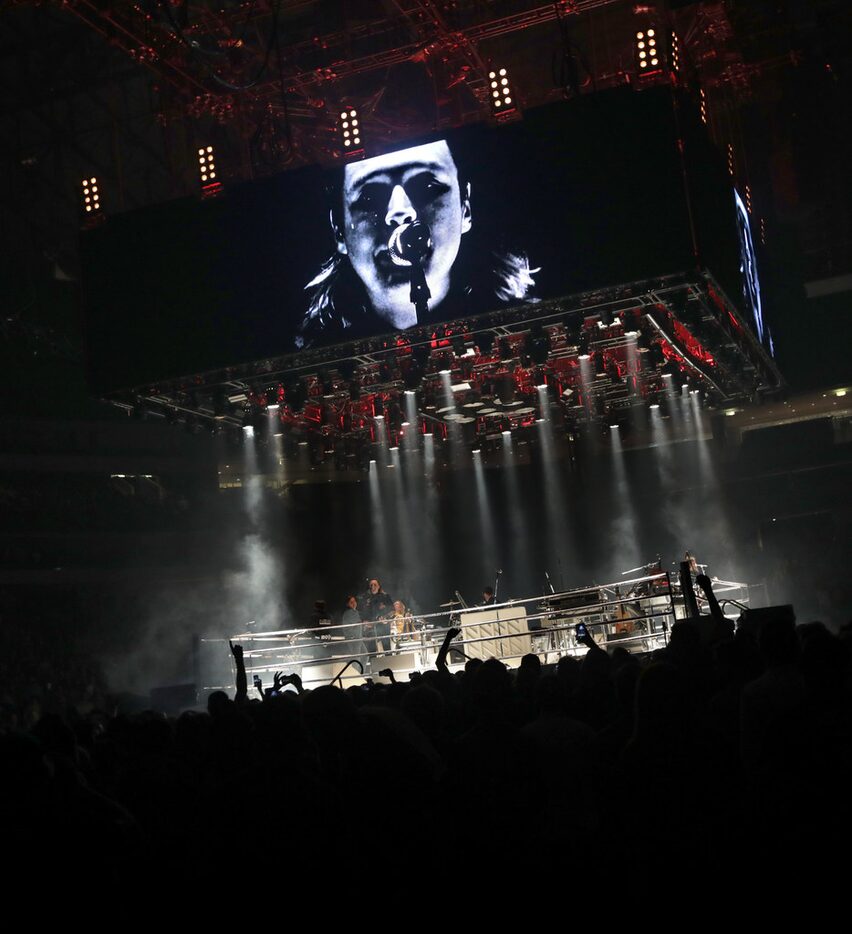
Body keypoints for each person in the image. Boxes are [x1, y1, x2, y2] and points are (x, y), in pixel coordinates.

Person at [297, 138, 539, 347]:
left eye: (426, 186)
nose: (400, 212)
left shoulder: (529, 327)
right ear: (339, 229)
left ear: (465, 208)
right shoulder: (308, 355)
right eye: (370, 195)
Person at [362, 578, 394, 657]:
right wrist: (364, 621)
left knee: (387, 648)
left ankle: (389, 666)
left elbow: (393, 610)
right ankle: (374, 667)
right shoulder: (366, 598)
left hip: (383, 626)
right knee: (372, 650)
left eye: (375, 584)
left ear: (379, 586)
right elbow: (364, 612)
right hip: (371, 627)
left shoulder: (385, 596)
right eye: (371, 585)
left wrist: (386, 618)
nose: (372, 586)